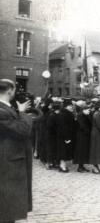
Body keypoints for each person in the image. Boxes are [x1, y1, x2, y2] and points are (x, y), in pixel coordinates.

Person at [0, 79, 33, 223]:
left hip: (11, 159)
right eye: (14, 90)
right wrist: (22, 114)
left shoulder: (6, 108)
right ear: (10, 91)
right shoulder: (2, 110)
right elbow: (22, 130)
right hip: (10, 162)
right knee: (14, 204)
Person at [57, 99, 76, 172]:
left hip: (65, 135)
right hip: (64, 136)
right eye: (70, 106)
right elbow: (63, 127)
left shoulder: (66, 113)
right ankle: (62, 166)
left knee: (64, 151)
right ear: (66, 107)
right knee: (63, 152)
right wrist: (67, 137)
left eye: (72, 106)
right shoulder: (64, 114)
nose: (72, 107)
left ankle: (62, 166)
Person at [73, 103, 92, 173]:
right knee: (81, 151)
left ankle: (82, 166)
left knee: (84, 151)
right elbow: (82, 126)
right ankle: (80, 167)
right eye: (87, 110)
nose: (89, 111)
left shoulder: (85, 115)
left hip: (84, 136)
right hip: (81, 136)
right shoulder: (80, 116)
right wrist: (88, 131)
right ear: (83, 110)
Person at [46, 102, 61, 170]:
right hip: (52, 136)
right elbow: (50, 126)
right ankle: (49, 163)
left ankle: (52, 162)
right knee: (51, 150)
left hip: (52, 135)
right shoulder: (53, 116)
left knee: (53, 150)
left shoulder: (53, 115)